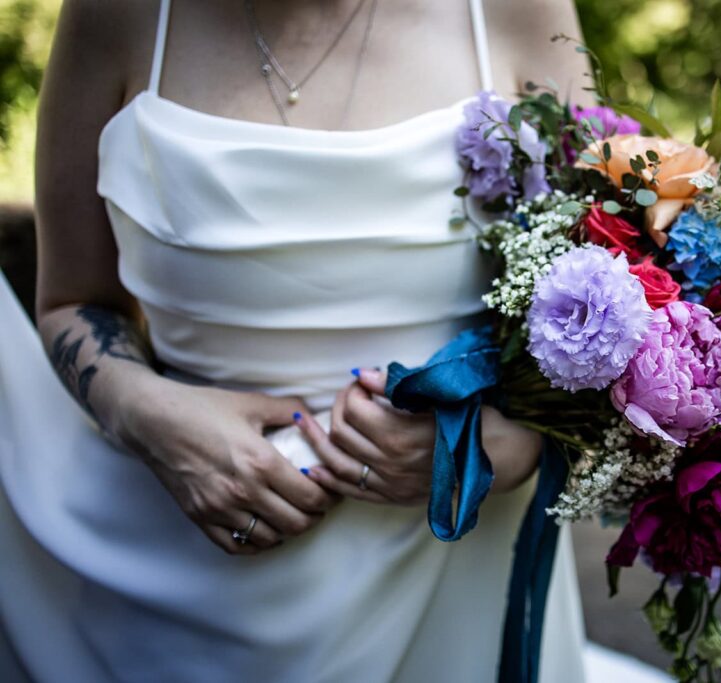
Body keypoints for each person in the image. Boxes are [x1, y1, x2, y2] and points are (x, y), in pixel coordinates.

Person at [0, 0, 597, 680]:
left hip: (457, 580)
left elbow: (607, 303)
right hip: (179, 580)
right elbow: (72, 301)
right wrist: (147, 414)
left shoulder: (516, 10)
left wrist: (508, 447)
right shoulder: (117, 14)